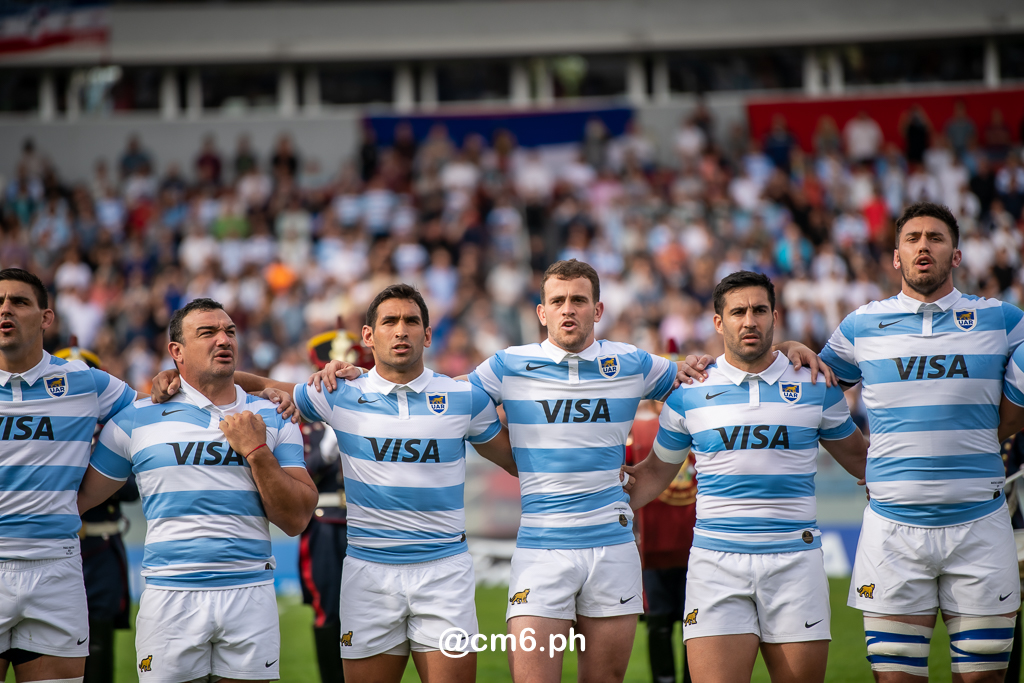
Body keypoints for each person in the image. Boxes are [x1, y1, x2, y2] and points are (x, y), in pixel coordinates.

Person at [244, 284, 517, 683]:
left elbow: (518, 462)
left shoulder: (464, 398)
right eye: (389, 321)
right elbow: (243, 385)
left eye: (411, 321)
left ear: (427, 334)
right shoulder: (338, 392)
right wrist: (174, 381)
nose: (401, 330)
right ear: (368, 336)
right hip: (369, 574)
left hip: (444, 573)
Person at [626, 271, 867, 683]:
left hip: (795, 561)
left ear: (775, 316)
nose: (749, 321)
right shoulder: (689, 392)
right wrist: (586, 485)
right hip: (715, 565)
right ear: (719, 322)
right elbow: (651, 477)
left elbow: (865, 463)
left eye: (759, 310)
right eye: (738, 312)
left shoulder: (815, 384)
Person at [78, 297, 318, 683]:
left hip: (249, 592)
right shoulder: (135, 418)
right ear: (176, 351)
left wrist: (257, 451)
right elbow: (79, 500)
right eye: (207, 332)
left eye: (230, 332)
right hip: (168, 597)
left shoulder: (275, 415)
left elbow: (295, 518)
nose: (223, 339)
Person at [469, 259, 680, 683]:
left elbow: (709, 383)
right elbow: (438, 396)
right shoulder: (508, 365)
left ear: (597, 310)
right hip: (540, 552)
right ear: (541, 312)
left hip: (613, 551)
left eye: (579, 300)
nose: (568, 309)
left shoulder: (633, 363)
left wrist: (783, 352)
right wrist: (352, 379)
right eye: (558, 301)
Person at [0, 268, 137, 683]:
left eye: (19, 302)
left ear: (46, 318)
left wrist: (83, 499)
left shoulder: (84, 382)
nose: (5, 309)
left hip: (56, 567)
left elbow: (147, 418)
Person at [53, 345, 139, 683]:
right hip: (57, 546)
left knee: (100, 639)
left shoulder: (110, 434)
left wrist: (98, 454)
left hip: (102, 544)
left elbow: (131, 492)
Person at [300, 328, 375, 683]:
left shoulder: (373, 409)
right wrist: (329, 443)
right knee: (329, 610)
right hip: (327, 524)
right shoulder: (308, 418)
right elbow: (302, 473)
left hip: (371, 521)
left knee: (375, 614)